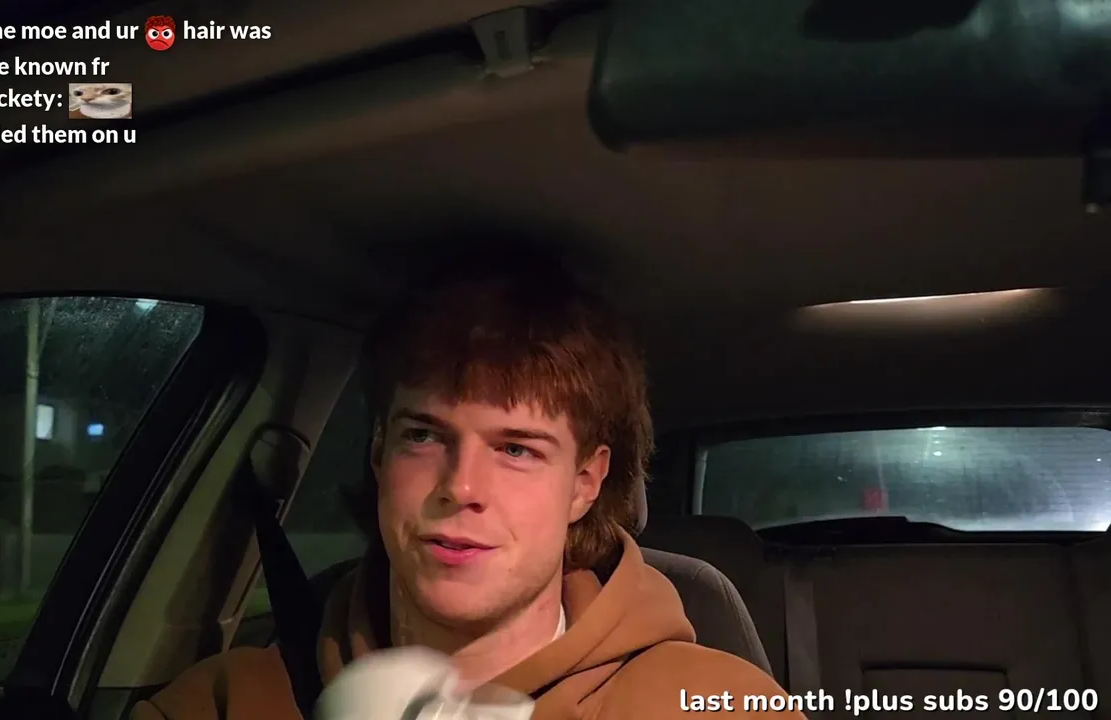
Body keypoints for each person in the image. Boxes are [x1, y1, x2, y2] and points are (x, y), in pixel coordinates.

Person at [131, 255, 804, 719]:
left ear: (585, 483)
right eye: (425, 436)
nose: (461, 486)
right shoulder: (227, 702)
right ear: (378, 452)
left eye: (515, 449)